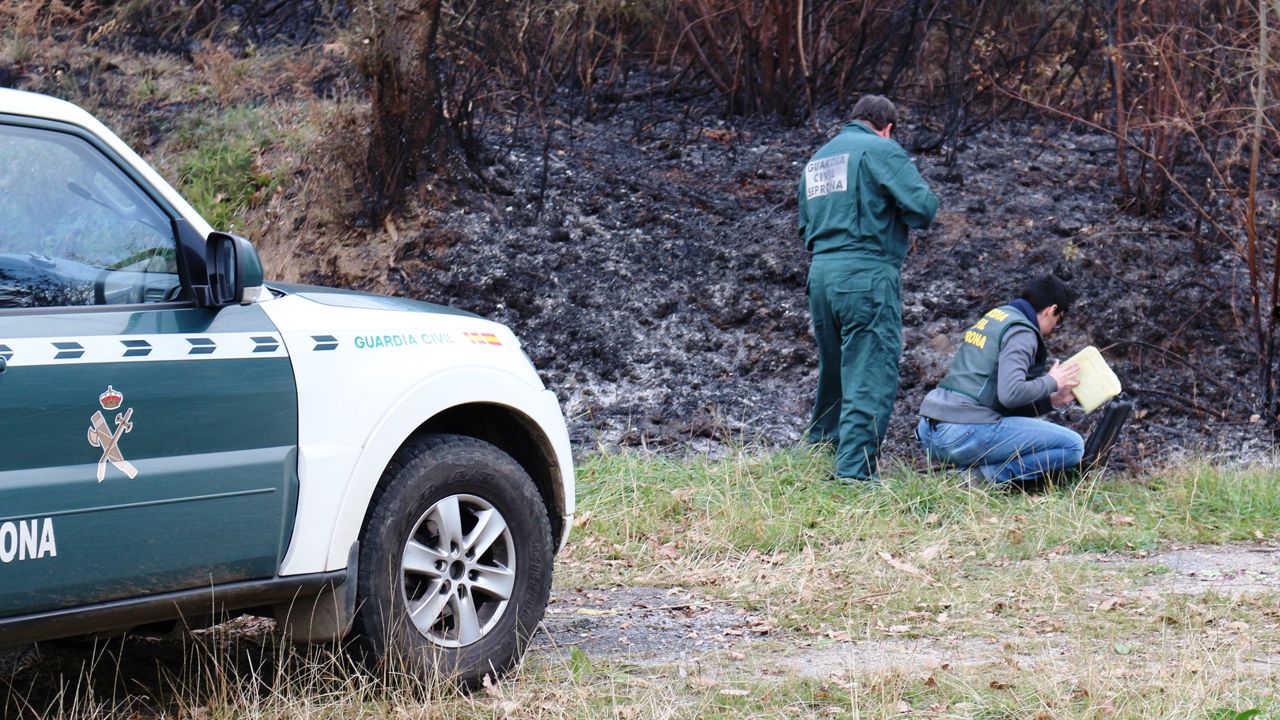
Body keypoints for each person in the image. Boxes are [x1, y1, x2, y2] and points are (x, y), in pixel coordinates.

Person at [799, 94, 939, 483]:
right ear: (888, 127)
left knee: (835, 372)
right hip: (866, 274)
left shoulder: (819, 158)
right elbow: (924, 208)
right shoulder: (881, 149)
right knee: (868, 372)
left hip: (822, 273)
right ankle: (854, 475)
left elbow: (803, 226)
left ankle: (820, 454)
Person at [916, 274, 1084, 484]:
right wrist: (1052, 381)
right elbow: (1011, 394)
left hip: (929, 433)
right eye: (1057, 322)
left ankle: (964, 472)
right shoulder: (1022, 332)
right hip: (961, 434)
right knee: (1073, 446)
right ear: (1052, 310)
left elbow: (997, 401)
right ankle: (981, 477)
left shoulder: (996, 317)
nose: (1052, 330)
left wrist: (1052, 400)